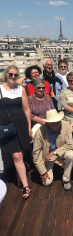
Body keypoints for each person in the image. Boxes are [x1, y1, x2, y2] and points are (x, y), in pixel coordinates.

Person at [0, 66, 31, 199]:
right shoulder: (0, 89)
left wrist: (29, 126)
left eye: (16, 75)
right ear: (6, 74)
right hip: (8, 127)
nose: (13, 77)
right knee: (17, 156)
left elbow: (26, 109)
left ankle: (19, 179)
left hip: (21, 125)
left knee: (20, 154)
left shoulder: (21, 89)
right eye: (11, 74)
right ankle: (25, 185)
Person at [32, 109, 73, 190]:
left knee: (71, 155)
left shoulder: (66, 125)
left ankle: (66, 179)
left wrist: (54, 152)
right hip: (47, 156)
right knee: (46, 182)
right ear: (48, 123)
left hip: (60, 152)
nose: (56, 125)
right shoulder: (40, 132)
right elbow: (36, 154)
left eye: (58, 122)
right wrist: (43, 172)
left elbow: (70, 144)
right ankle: (46, 168)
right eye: (53, 124)